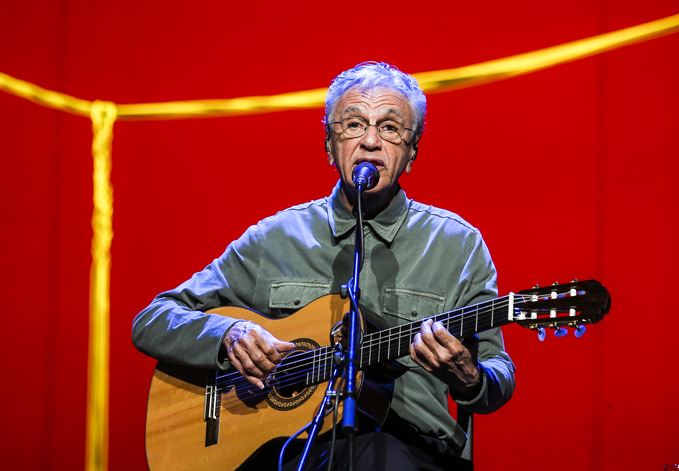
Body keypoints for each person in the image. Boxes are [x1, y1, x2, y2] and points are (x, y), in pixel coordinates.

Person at [132, 61, 515, 470]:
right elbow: (152, 320)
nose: (370, 142)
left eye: (389, 128)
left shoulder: (456, 245)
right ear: (329, 146)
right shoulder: (276, 238)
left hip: (409, 452)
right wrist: (229, 333)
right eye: (353, 125)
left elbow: (498, 373)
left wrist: (470, 377)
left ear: (412, 152)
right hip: (283, 454)